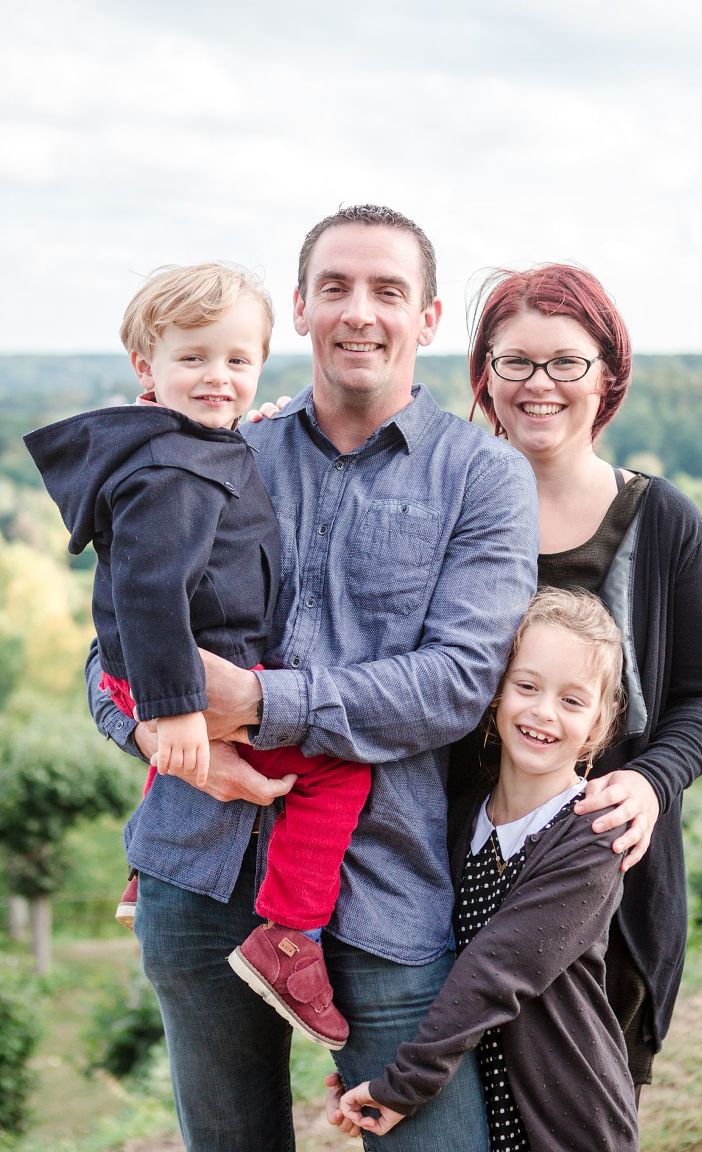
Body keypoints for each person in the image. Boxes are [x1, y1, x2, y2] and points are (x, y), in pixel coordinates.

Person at [85, 205, 543, 1151]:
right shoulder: (220, 444)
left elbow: (458, 681)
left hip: (382, 885)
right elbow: (111, 648)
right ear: (300, 307)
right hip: (198, 870)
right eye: (334, 287)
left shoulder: (483, 479)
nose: (358, 311)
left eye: (387, 290)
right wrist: (165, 740)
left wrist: (255, 704)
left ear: (427, 317)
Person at [25, 261, 372, 1051]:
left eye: (237, 362)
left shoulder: (186, 442)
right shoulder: (173, 470)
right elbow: (148, 591)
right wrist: (174, 707)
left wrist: (243, 430)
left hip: (173, 662)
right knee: (335, 769)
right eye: (194, 360)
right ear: (147, 367)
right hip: (181, 670)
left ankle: (148, 864)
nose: (218, 377)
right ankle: (289, 938)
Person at [459, 263, 702, 1100]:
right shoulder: (444, 506)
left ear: (607, 375)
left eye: (566, 363)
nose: (539, 384)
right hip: (451, 882)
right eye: (516, 362)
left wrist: (652, 782)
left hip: (610, 898)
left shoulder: (666, 523)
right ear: (486, 375)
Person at [339, 586, 639, 1152]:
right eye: (527, 686)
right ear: (495, 692)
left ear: (600, 724)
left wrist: (405, 1081)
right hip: (470, 1095)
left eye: (572, 701)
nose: (544, 712)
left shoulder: (594, 838)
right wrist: (381, 1057)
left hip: (566, 1118)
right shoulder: (458, 818)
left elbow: (496, 969)